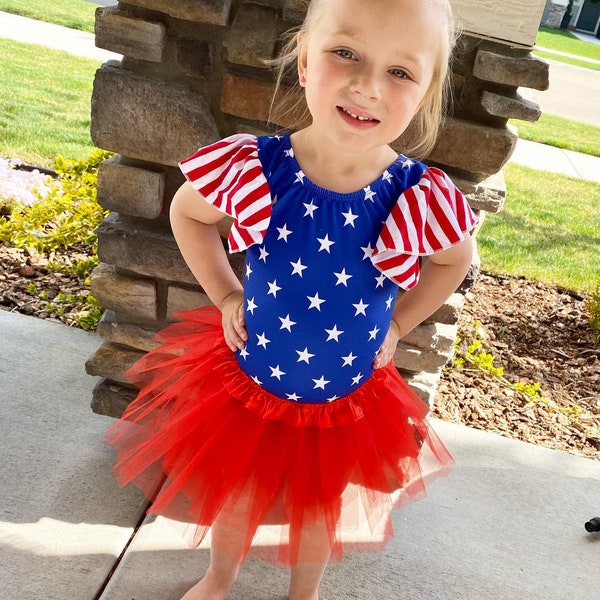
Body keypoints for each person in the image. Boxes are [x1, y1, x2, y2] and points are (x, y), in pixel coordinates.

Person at [106, 0, 478, 598]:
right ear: (304, 60)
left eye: (401, 72)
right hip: (252, 385)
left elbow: (453, 261)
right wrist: (227, 293)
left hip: (345, 397)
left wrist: (400, 325)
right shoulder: (259, 167)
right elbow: (189, 214)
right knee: (238, 495)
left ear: (426, 92)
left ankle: (303, 595)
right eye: (346, 53)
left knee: (317, 510)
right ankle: (218, 578)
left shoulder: (417, 195)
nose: (367, 86)